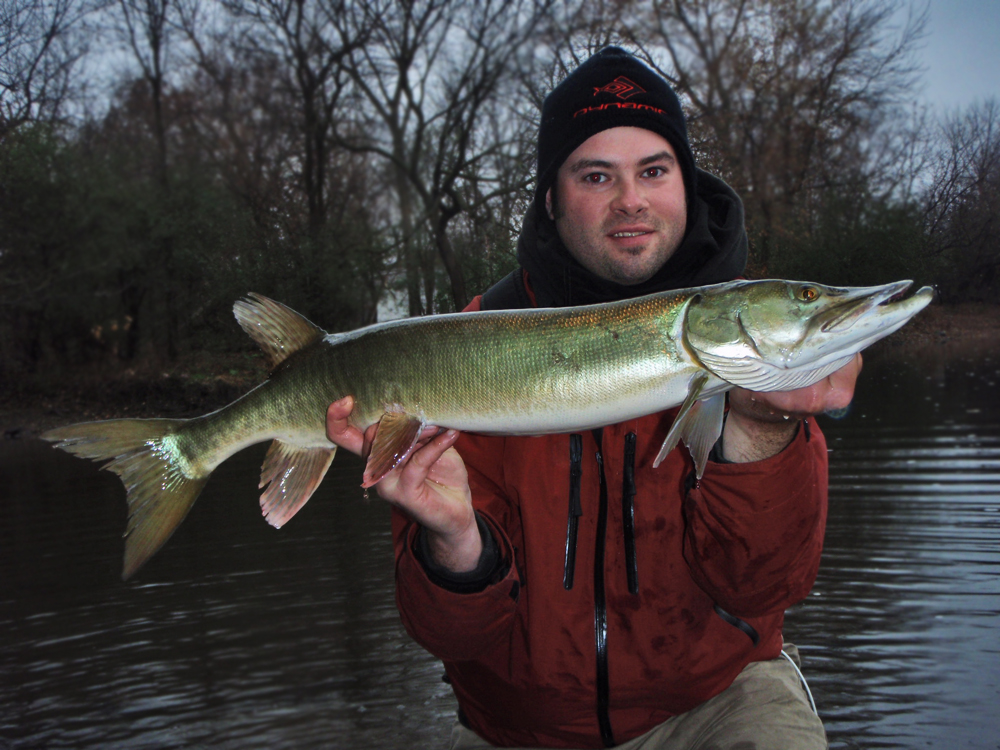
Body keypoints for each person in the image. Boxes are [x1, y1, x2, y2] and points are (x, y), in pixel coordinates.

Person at [326, 47, 860, 749]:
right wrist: (455, 543)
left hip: (717, 702)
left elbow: (764, 589)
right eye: (596, 175)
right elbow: (445, 633)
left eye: (654, 171)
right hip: (518, 728)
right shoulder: (464, 350)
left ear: (687, 188)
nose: (630, 199)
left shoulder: (745, 352)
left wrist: (763, 431)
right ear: (552, 198)